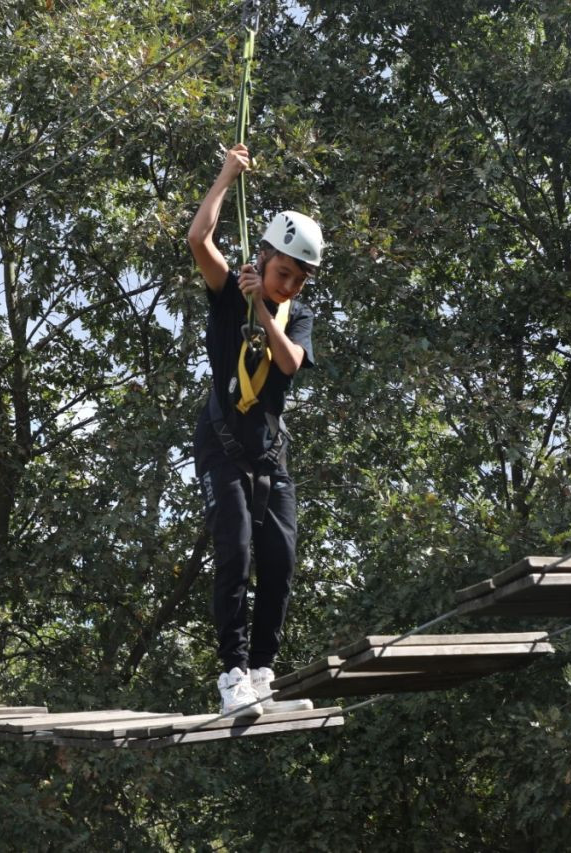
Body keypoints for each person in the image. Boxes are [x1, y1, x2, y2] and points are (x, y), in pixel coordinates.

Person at [186, 142, 322, 717]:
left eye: (297, 280)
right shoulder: (225, 294)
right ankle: (234, 673)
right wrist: (226, 175)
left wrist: (263, 309)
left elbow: (289, 363)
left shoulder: (295, 316)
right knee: (236, 552)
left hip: (268, 454)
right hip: (222, 446)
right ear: (263, 258)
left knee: (281, 560)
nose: (289, 285)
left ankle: (265, 671)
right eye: (282, 273)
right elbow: (199, 240)